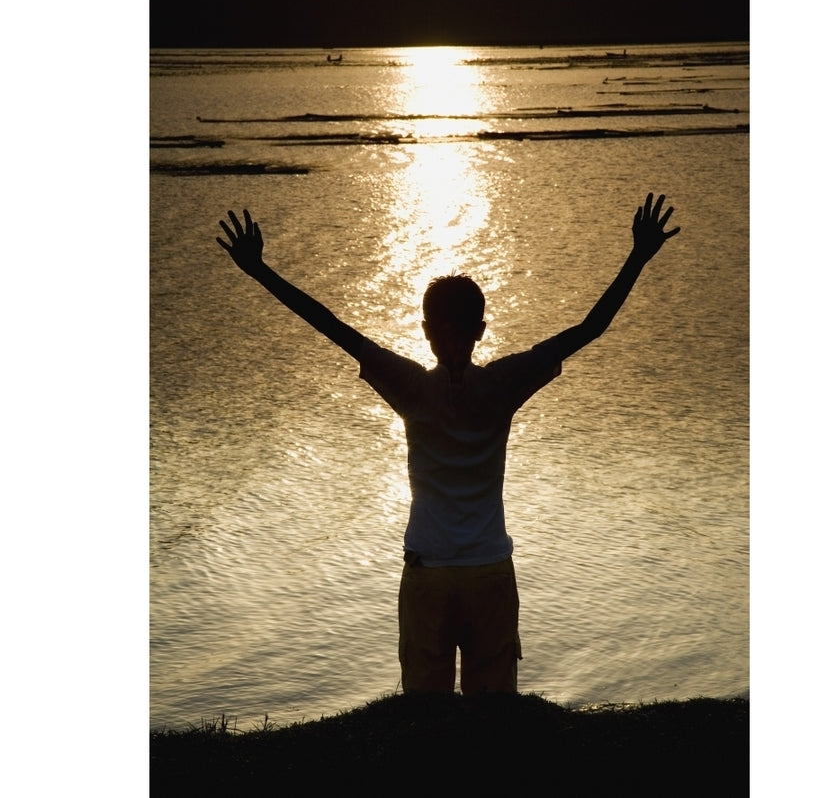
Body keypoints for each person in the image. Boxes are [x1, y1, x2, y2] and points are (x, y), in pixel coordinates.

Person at [216, 192, 679, 696]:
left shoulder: (412, 387)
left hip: (429, 575)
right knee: (494, 712)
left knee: (424, 715)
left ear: (424, 331)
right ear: (481, 330)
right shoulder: (502, 384)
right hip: (488, 573)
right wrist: (638, 255)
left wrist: (258, 270)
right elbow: (591, 328)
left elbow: (331, 326)